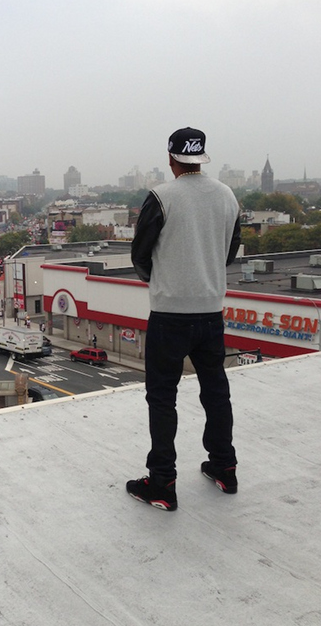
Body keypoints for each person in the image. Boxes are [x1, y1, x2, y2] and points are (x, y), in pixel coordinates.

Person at [127, 127, 241, 512]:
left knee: (162, 398)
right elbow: (229, 253)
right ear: (202, 157)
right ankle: (224, 467)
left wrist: (159, 280)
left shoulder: (162, 196)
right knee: (216, 390)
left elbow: (140, 254)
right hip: (211, 312)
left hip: (170, 315)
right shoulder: (227, 195)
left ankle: (161, 483)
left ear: (172, 159)